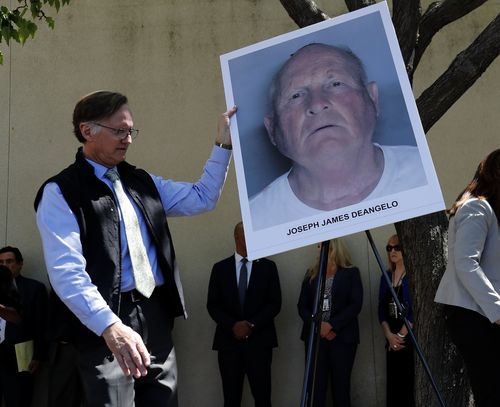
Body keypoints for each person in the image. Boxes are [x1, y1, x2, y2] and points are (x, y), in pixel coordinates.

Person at [34, 90, 236, 407]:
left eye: (131, 130)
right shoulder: (60, 192)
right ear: (87, 131)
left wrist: (224, 143)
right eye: (119, 130)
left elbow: (202, 197)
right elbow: (66, 274)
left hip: (154, 313)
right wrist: (111, 327)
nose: (128, 138)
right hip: (104, 324)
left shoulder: (141, 181)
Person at [250, 43, 426, 230]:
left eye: (335, 84)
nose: (317, 104)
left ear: (372, 99)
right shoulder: (257, 220)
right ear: (272, 130)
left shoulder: (423, 172)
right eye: (296, 95)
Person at [435, 149, 500, 407]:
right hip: (473, 316)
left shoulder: (488, 210)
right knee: (491, 392)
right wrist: (497, 310)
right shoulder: (476, 208)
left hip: (483, 315)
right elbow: (465, 263)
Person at [207, 221, 281, 407]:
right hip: (229, 344)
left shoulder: (268, 267)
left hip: (260, 343)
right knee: (231, 398)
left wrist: (251, 325)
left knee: (263, 397)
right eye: (247, 234)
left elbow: (275, 303)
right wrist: (233, 325)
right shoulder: (220, 268)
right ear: (237, 237)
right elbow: (213, 305)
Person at [297, 239, 363, 407]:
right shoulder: (311, 274)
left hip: (342, 339)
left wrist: (332, 325)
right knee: (316, 389)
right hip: (316, 339)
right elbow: (302, 306)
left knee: (340, 389)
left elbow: (355, 304)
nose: (319, 249)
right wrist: (319, 326)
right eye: (317, 245)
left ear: (333, 248)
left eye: (322, 245)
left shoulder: (351, 273)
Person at [0, 246, 48, 407]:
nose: (5, 265)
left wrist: (38, 356)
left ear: (20, 264)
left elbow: (41, 324)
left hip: (20, 354)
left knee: (19, 399)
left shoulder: (34, 288)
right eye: (0, 262)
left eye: (9, 261)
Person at [377, 235, 415, 407]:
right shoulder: (385, 277)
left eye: (396, 247)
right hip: (391, 339)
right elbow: (381, 310)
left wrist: (399, 336)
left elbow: (414, 311)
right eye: (389, 248)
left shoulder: (411, 277)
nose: (392, 251)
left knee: (408, 382)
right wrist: (389, 335)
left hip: (408, 338)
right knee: (393, 382)